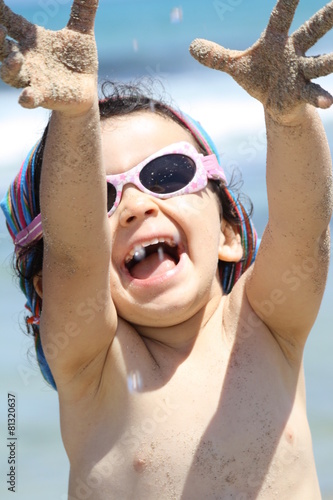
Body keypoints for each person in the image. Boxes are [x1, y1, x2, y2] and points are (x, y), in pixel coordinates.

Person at [0, 0, 332, 498]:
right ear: (51, 291)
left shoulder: (266, 328)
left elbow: (306, 224)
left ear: (228, 234)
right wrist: (73, 117)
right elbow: (75, 254)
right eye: (101, 199)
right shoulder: (95, 368)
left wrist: (289, 120)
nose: (135, 206)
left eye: (167, 176)